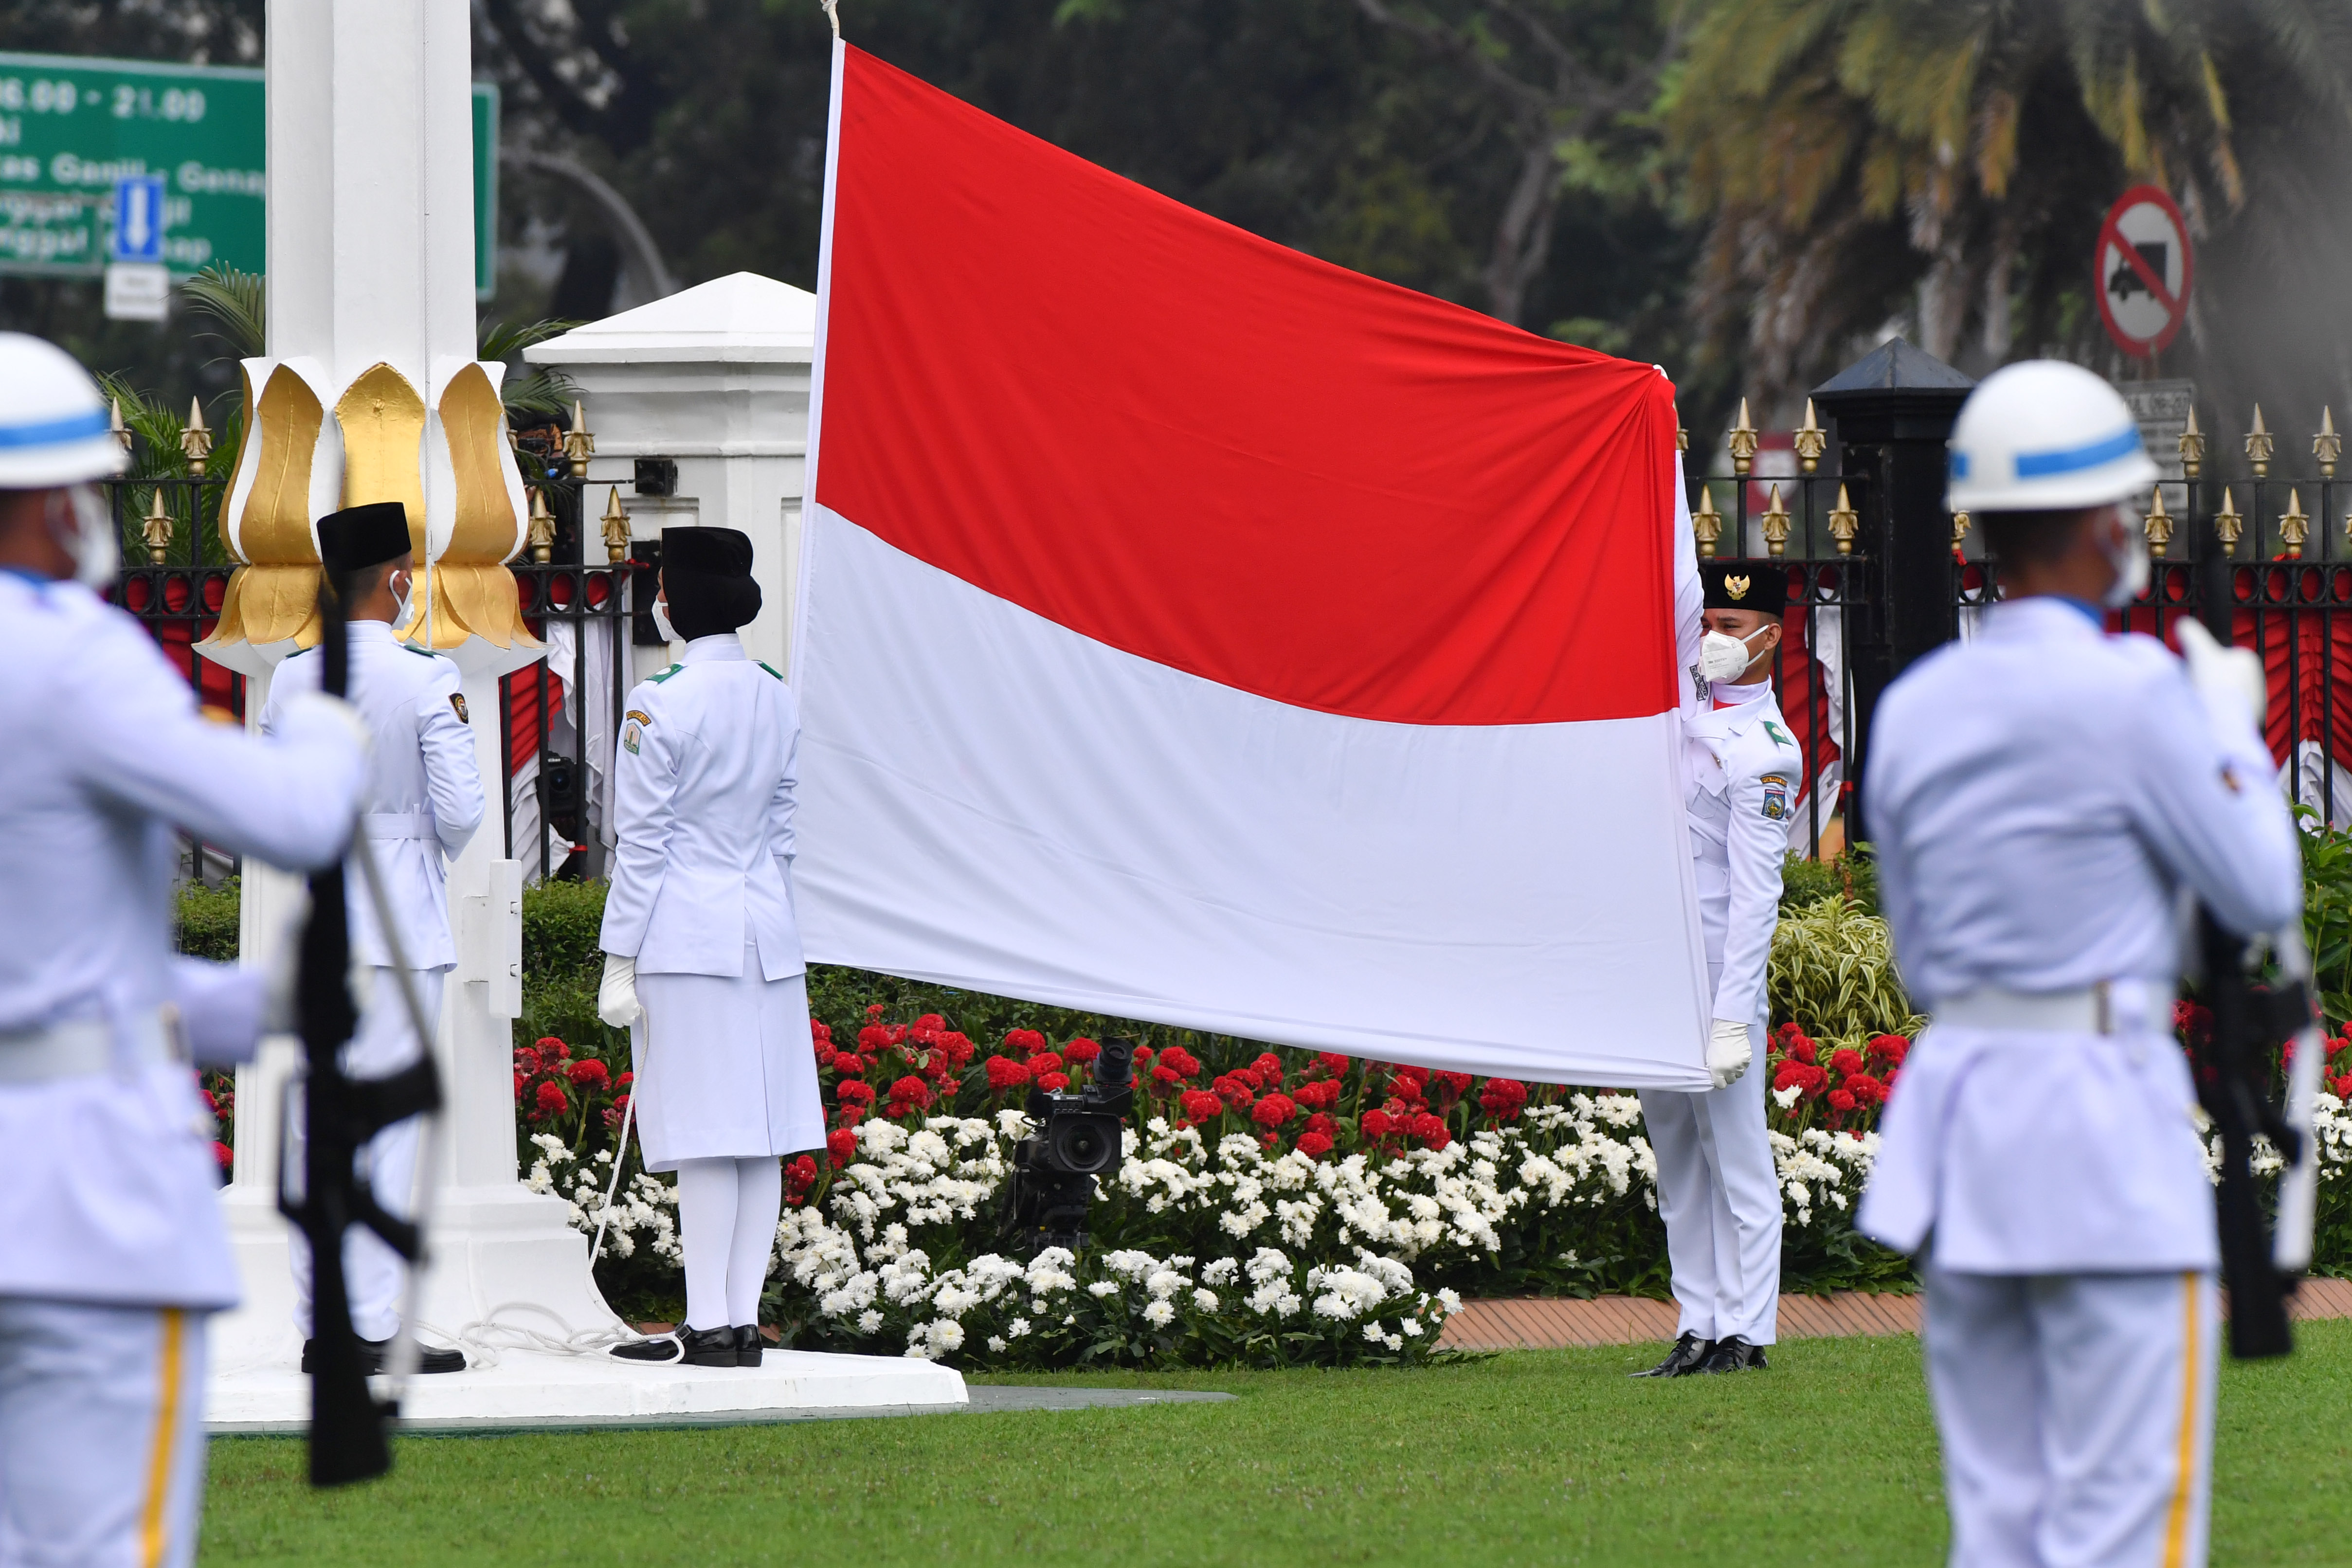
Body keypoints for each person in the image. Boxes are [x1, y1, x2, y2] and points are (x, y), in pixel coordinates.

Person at [1859, 360, 2301, 1568]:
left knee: (1997, 1524)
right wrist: (2227, 725)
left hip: (1963, 1127)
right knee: (2124, 1528)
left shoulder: (1918, 705)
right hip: (2100, 1138)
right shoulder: (2139, 694)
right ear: (2108, 522)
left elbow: (1912, 947)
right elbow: (2260, 889)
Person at [0, 333, 368, 1566]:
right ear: (54, 502)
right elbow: (293, 818)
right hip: (74, 1200)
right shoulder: (67, 652)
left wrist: (238, 1009)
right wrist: (321, 718)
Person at [265, 501, 482, 1375]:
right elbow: (465, 811)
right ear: (395, 579)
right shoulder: (427, 676)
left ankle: (324, 1324)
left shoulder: (291, 677)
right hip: (396, 923)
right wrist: (411, 838)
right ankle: (375, 1326)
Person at [597, 526, 823, 1369]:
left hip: (687, 937)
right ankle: (737, 1322)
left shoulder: (661, 698)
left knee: (702, 1134)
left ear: (675, 602)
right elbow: (784, 830)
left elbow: (642, 842)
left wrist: (618, 953)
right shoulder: (775, 693)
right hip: (766, 932)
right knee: (758, 1134)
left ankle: (706, 1322)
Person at [1634, 560, 1801, 1378]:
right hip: (1660, 965)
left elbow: (1754, 897)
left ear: (1772, 638)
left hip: (1714, 974)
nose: (1713, 640)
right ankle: (1696, 1322)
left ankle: (1748, 1330)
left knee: (1734, 1154)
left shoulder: (1768, 753)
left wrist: (1733, 1012)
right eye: (1710, 625)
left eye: (1732, 629)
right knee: (1676, 1155)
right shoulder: (1685, 699)